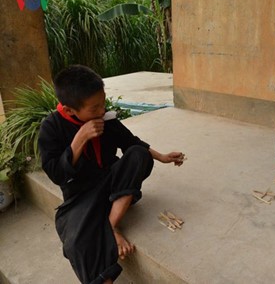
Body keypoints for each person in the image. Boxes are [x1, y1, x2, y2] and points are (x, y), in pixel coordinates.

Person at [38, 65, 185, 283]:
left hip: (113, 185)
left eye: (103, 102)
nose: (102, 110)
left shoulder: (105, 118)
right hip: (81, 195)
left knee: (137, 154)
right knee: (75, 243)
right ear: (70, 110)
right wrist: (79, 140)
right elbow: (57, 175)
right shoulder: (51, 128)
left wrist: (162, 157)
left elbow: (131, 143)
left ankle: (111, 224)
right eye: (94, 107)